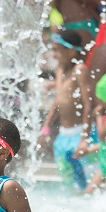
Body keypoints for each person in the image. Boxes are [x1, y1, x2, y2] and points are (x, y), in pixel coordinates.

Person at [39, 30, 93, 189]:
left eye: (57, 50)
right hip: (63, 136)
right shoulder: (60, 69)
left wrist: (84, 138)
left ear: (71, 51)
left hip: (78, 134)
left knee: (84, 183)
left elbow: (88, 104)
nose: (54, 55)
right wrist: (46, 127)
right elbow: (58, 100)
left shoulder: (80, 70)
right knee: (68, 183)